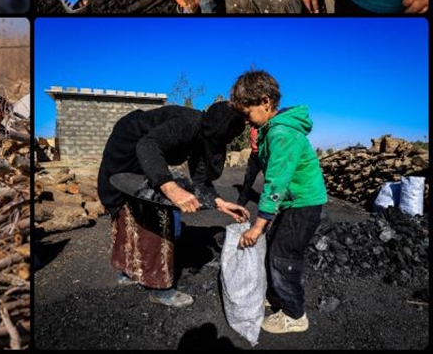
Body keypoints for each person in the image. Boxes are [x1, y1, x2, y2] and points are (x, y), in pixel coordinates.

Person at [96, 101, 250, 308]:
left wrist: (220, 203)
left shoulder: (205, 137)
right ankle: (157, 285)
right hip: (126, 149)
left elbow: (201, 181)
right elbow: (147, 146)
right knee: (146, 211)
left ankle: (134, 269)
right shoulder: (188, 123)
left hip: (145, 157)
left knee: (144, 205)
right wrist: (171, 188)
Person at [231, 69, 327, 334]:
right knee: (275, 248)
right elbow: (256, 167)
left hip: (303, 203)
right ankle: (278, 295)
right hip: (291, 202)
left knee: (284, 256)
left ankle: (295, 315)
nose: (246, 120)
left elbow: (276, 183)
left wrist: (257, 226)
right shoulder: (267, 130)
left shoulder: (281, 133)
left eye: (247, 112)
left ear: (265, 102)